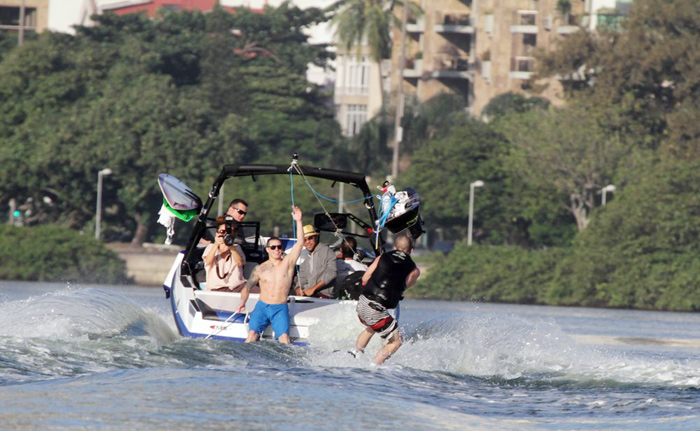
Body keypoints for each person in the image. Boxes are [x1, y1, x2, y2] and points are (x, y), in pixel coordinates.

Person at [237, 206, 305, 344]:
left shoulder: (288, 263)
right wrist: (242, 303)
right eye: (273, 247)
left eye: (279, 247)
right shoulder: (259, 269)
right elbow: (247, 287)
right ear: (267, 249)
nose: (276, 250)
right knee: (251, 336)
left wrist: (299, 221)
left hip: (279, 307)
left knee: (284, 339)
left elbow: (300, 243)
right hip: (262, 306)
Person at [352, 235, 421, 365]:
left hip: (362, 304)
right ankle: (374, 368)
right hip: (376, 310)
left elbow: (365, 278)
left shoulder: (381, 257)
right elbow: (404, 286)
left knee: (372, 327)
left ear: (395, 247)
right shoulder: (414, 270)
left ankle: (356, 354)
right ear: (411, 250)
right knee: (397, 341)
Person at [202, 216, 247, 292]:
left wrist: (231, 246)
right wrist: (216, 244)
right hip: (215, 289)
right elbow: (208, 262)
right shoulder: (210, 247)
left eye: (229, 232)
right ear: (217, 233)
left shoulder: (236, 247)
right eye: (222, 232)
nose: (225, 234)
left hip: (236, 288)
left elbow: (239, 263)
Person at [295, 225, 337, 298]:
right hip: (308, 296)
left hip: (325, 297)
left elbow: (332, 273)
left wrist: (313, 289)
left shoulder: (327, 251)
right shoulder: (305, 258)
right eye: (304, 240)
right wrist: (298, 288)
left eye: (310, 238)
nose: (307, 242)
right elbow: (302, 278)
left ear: (316, 238)